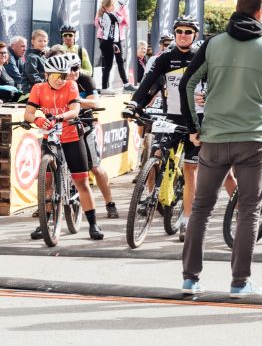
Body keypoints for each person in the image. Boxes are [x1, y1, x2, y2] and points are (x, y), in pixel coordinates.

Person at [178, 0, 262, 297]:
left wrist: (193, 126)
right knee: (249, 210)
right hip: (252, 138)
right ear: (260, 13)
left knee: (201, 208)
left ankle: (190, 278)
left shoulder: (213, 44)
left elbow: (187, 84)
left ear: (237, 8)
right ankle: (240, 281)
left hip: (214, 136)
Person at [126, 16, 202, 242]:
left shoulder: (202, 57)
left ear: (195, 35)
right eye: (179, 31)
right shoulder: (165, 58)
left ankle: (187, 220)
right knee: (156, 155)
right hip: (171, 116)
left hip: (196, 119)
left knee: (190, 170)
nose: (183, 35)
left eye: (188, 32)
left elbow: (217, 83)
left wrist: (210, 96)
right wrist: (134, 104)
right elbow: (147, 82)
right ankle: (150, 195)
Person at [26, 54, 104, 241]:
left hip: (72, 136)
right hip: (50, 137)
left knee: (81, 182)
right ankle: (45, 221)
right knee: (46, 183)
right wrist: (37, 119)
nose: (60, 79)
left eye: (63, 75)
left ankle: (93, 224)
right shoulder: (38, 88)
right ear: (46, 75)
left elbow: (75, 110)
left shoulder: (71, 85)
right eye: (56, 75)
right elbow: (28, 113)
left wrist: (59, 117)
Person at [57, 51, 119, 218]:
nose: (73, 72)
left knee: (95, 168)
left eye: (76, 68)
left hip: (84, 126)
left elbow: (95, 102)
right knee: (56, 167)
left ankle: (110, 203)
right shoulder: (58, 80)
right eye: (69, 69)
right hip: (63, 127)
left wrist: (74, 101)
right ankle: (47, 205)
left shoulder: (85, 79)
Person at [96, 0, 135, 92]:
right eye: (112, 5)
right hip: (109, 42)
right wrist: (119, 11)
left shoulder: (105, 14)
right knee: (108, 65)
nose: (114, 7)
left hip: (112, 41)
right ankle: (105, 88)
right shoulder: (110, 15)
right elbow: (122, 20)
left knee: (116, 63)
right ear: (107, 6)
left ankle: (123, 84)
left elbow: (124, 22)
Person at [21, 29, 48, 95]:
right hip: (31, 91)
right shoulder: (32, 57)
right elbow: (33, 75)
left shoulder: (42, 56)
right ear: (33, 41)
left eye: (45, 41)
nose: (43, 43)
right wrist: (45, 85)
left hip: (39, 89)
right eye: (40, 41)